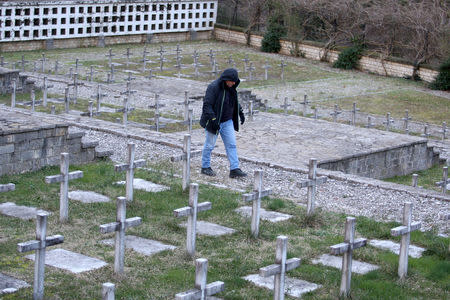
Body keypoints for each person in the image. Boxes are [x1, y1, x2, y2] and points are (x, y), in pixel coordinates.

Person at [199, 68, 247, 178]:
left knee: (231, 145)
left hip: (227, 122)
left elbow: (235, 102)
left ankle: (234, 169)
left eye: (235, 81)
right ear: (226, 79)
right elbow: (207, 105)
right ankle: (205, 167)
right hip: (214, 121)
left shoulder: (232, 88)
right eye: (232, 81)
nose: (234, 83)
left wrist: (240, 112)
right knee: (209, 145)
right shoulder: (213, 87)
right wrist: (213, 119)